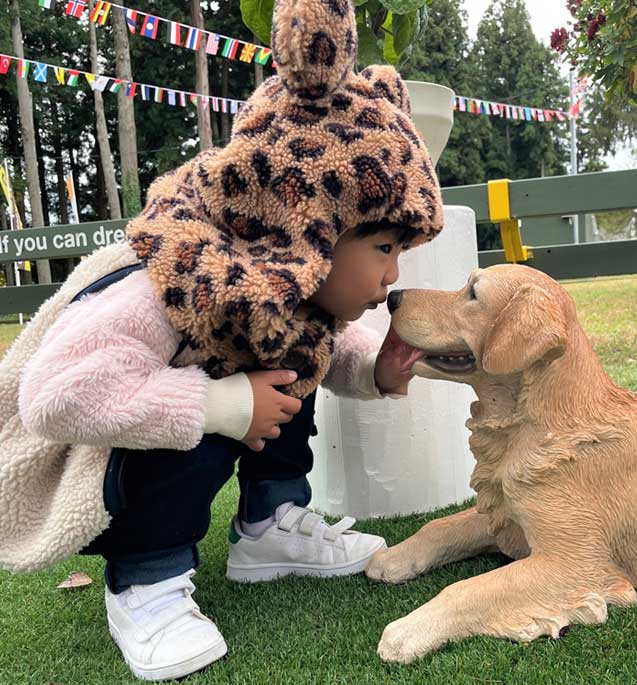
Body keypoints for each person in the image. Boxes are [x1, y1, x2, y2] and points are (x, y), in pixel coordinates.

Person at [11, 0, 443, 679]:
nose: (393, 274)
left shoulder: (289, 278)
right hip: (99, 460)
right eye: (385, 245)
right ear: (312, 220)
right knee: (225, 388)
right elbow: (55, 396)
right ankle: (145, 582)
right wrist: (219, 406)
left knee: (291, 358)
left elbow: (327, 349)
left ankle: (270, 525)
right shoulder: (168, 286)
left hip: (216, 390)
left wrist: (378, 371)